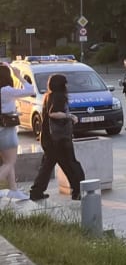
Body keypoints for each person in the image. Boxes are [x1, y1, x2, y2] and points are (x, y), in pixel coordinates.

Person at [28, 73, 86, 201]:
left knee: (48, 165)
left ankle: (36, 192)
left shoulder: (48, 96)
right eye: (65, 83)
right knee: (71, 164)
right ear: (62, 85)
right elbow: (53, 113)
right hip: (59, 138)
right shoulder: (59, 96)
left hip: (48, 138)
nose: (67, 86)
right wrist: (70, 116)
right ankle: (79, 191)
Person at [0, 64, 36, 197]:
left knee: (6, 161)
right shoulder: (6, 91)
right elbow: (30, 90)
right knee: (10, 162)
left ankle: (14, 190)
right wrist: (19, 75)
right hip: (6, 131)